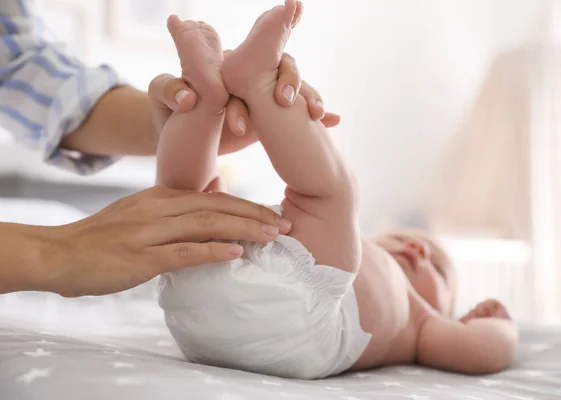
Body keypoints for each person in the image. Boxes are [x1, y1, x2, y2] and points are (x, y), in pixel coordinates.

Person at [156, 0, 519, 380]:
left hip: (294, 319)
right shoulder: (337, 251)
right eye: (400, 239)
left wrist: (501, 331)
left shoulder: (420, 326)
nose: (418, 250)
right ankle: (206, 97)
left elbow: (481, 350)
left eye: (440, 272)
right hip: (201, 303)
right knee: (185, 208)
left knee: (332, 195)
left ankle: (237, 88)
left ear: (447, 312)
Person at [0, 1, 340, 297]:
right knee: (319, 200)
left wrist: (169, 119)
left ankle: (219, 95)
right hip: (315, 307)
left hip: (196, 308)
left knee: (184, 204)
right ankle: (246, 89)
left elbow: (15, 66)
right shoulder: (392, 273)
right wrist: (54, 253)